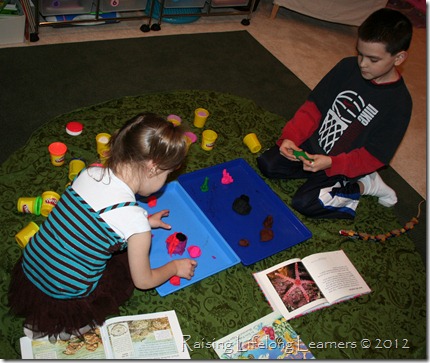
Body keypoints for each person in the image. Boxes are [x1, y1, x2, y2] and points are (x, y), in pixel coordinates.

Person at [8, 113, 198, 340]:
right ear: (153, 168)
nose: (165, 181)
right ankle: (65, 325)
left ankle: (43, 318)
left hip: (31, 268)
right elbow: (144, 281)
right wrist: (174, 267)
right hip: (66, 297)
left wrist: (144, 222)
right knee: (122, 275)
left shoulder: (90, 173)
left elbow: (90, 219)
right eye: (167, 174)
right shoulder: (135, 223)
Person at [257, 8, 413, 219]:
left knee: (305, 202)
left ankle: (364, 184)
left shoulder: (399, 104)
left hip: (343, 164)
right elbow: (313, 108)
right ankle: (323, 172)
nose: (363, 64)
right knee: (268, 164)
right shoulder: (347, 67)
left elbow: (375, 155)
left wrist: (332, 163)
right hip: (314, 148)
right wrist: (291, 138)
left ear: (398, 58)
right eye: (360, 54)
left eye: (373, 60)